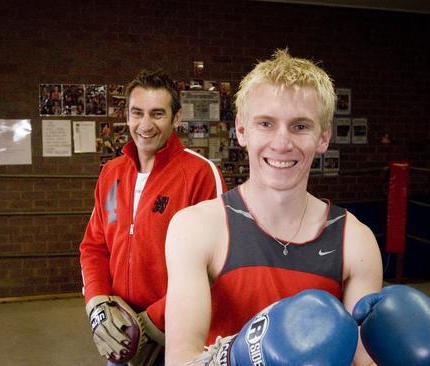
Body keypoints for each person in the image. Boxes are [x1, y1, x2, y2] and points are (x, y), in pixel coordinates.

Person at [163, 50, 383, 365]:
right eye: (266, 123)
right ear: (241, 130)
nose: (282, 143)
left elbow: (362, 361)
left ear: (323, 137)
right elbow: (179, 361)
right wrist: (238, 358)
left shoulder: (355, 241)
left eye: (300, 126)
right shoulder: (196, 228)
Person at [80, 69, 226, 366]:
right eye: (137, 113)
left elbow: (217, 265)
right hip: (121, 332)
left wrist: (152, 323)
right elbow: (93, 247)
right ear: (127, 115)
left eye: (157, 114)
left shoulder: (200, 174)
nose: (145, 125)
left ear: (177, 117)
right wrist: (96, 302)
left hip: (178, 332)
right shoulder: (111, 173)